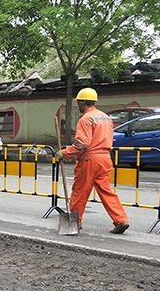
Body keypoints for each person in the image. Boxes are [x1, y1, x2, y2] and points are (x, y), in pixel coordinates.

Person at [55, 88, 130, 234]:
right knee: (106, 191)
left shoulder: (86, 119)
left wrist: (64, 152)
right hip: (105, 159)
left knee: (79, 192)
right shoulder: (105, 117)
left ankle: (74, 224)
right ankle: (121, 219)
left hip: (90, 161)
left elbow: (83, 144)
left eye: (79, 102)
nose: (78, 105)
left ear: (83, 102)